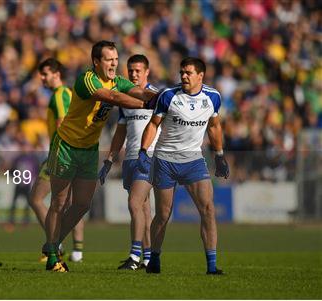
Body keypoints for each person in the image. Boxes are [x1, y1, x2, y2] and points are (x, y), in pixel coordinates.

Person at [43, 40, 157, 272]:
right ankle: (54, 255)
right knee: (59, 202)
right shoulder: (87, 80)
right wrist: (148, 104)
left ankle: (51, 244)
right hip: (66, 145)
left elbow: (139, 91)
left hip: (89, 149)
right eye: (109, 60)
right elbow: (113, 98)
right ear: (96, 62)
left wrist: (158, 96)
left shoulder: (118, 81)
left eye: (116, 59)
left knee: (82, 204)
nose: (114, 64)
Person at [138, 57, 229, 275]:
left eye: (188, 73)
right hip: (165, 160)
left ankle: (212, 266)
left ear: (201, 75)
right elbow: (153, 124)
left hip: (194, 161)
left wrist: (219, 155)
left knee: (208, 209)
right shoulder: (168, 95)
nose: (184, 76)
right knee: (163, 214)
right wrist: (143, 150)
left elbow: (214, 127)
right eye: (182, 73)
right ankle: (154, 259)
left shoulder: (213, 97)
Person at [99, 54, 159, 270]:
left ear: (147, 72)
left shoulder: (156, 97)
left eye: (138, 70)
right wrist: (109, 160)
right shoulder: (125, 99)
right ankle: (149, 257)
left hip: (149, 157)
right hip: (130, 159)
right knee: (143, 209)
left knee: (134, 203)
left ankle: (134, 256)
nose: (134, 74)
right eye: (131, 70)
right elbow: (120, 133)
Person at [29, 58, 85, 263]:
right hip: (73, 152)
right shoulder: (67, 93)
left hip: (60, 153)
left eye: (45, 74)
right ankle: (77, 249)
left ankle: (56, 242)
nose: (42, 78)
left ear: (56, 74)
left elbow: (62, 124)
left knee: (36, 199)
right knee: (70, 203)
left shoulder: (60, 95)